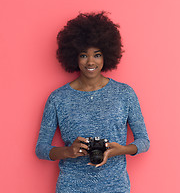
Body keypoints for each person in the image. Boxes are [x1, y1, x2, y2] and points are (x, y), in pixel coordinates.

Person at [35, 12, 150, 193]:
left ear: (106, 56)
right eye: (83, 55)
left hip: (115, 186)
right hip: (71, 186)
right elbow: (41, 148)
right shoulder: (58, 98)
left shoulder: (124, 93)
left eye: (96, 55)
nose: (90, 61)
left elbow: (144, 141)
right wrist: (68, 152)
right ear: (74, 57)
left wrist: (120, 150)